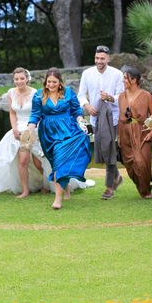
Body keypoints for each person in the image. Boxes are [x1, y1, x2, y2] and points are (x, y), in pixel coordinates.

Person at [28, 68, 91, 210]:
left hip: (68, 131)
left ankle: (57, 199)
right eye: (48, 82)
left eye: (54, 82)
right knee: (56, 162)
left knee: (60, 162)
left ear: (60, 82)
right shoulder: (39, 95)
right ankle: (66, 187)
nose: (51, 84)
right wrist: (30, 128)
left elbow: (76, 110)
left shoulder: (68, 92)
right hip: (48, 134)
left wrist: (81, 121)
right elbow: (35, 115)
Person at [0, 67, 48, 197]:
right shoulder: (11, 93)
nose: (19, 81)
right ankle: (25, 190)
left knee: (38, 163)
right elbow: (12, 113)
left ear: (27, 79)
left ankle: (47, 185)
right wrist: (14, 128)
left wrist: (32, 129)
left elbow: (39, 114)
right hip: (18, 130)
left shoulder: (35, 93)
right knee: (22, 161)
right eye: (16, 79)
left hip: (33, 128)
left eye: (22, 78)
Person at [78, 45, 125, 200]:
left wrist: (110, 97)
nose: (99, 61)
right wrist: (87, 105)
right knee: (103, 151)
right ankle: (117, 178)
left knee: (109, 150)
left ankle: (109, 187)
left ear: (108, 59)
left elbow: (122, 96)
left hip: (113, 118)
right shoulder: (87, 73)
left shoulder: (117, 74)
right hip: (95, 117)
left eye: (102, 58)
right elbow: (81, 95)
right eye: (97, 58)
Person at [117, 67, 152, 199]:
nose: (123, 80)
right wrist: (119, 136)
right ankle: (142, 185)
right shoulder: (121, 96)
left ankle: (146, 190)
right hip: (125, 131)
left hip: (141, 131)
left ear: (134, 80)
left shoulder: (146, 96)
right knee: (130, 163)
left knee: (141, 162)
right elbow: (120, 117)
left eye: (125, 78)